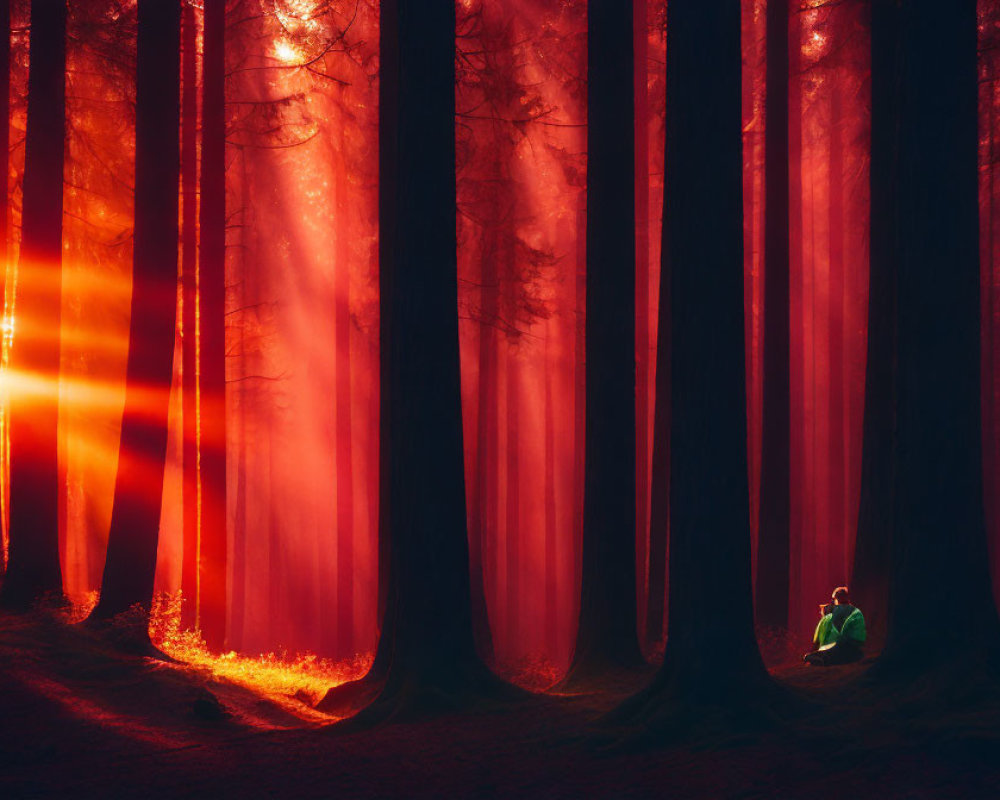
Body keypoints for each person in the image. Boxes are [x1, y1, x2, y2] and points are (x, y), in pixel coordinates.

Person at [803, 586, 865, 666]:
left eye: (833, 599)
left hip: (836, 651)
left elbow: (817, 644)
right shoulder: (856, 614)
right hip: (853, 652)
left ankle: (822, 661)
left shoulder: (828, 618)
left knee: (808, 656)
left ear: (836, 599)